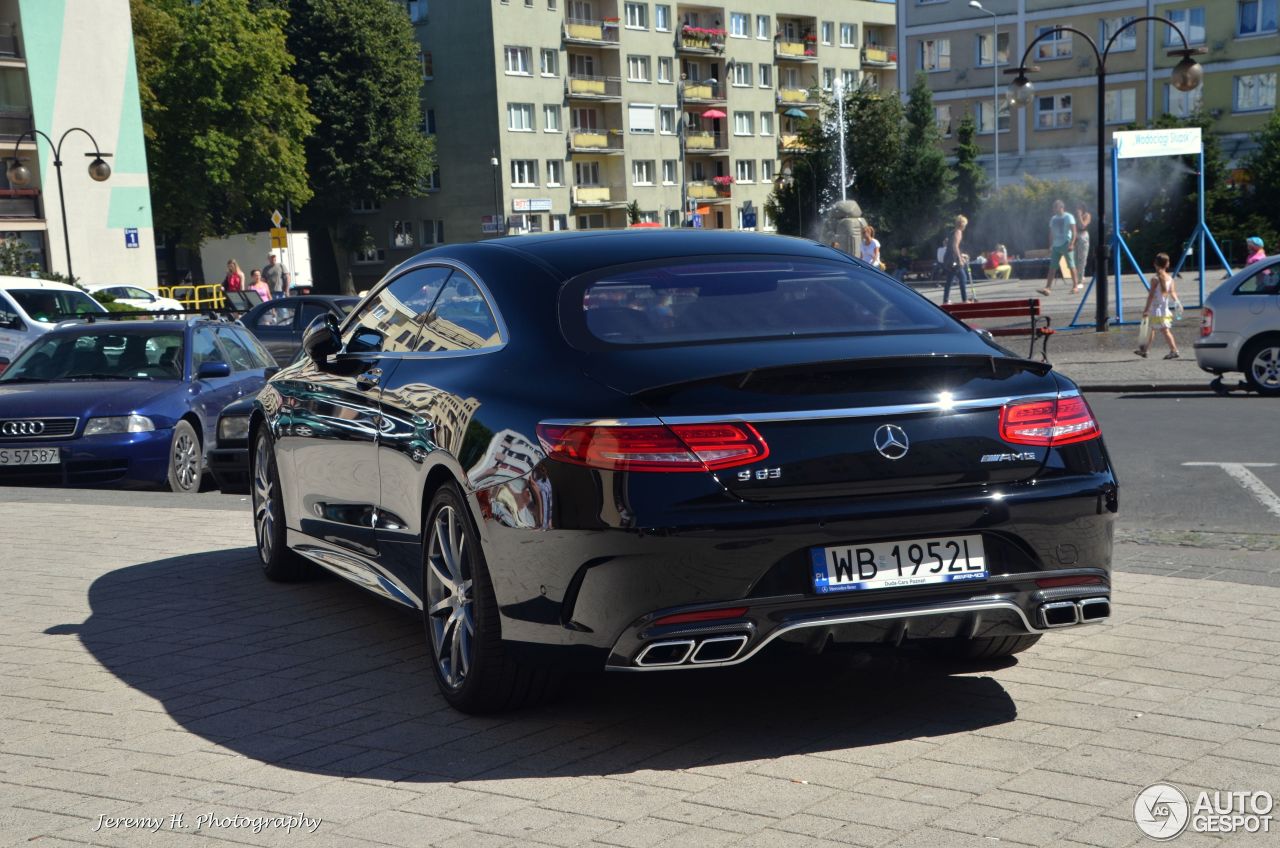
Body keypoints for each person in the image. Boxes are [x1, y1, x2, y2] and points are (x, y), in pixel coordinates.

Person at [1135, 252, 1180, 360]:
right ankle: (1145, 350)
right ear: (1167, 264)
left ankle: (1174, 350)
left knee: (1163, 330)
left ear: (1155, 264)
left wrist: (1146, 309)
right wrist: (1177, 302)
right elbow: (1172, 292)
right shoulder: (1170, 278)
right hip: (1164, 308)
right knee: (1154, 329)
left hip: (1156, 308)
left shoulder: (1155, 279)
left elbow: (1151, 296)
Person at [1039, 199, 1079, 296]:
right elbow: (1051, 233)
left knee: (1071, 265)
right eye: (1053, 207)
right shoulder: (1053, 218)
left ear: (1061, 207)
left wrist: (1072, 243)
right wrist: (1050, 245)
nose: (1054, 209)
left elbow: (1074, 232)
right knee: (1052, 267)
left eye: (1055, 207)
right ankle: (1047, 288)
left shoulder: (1069, 217)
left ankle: (1075, 287)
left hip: (1066, 243)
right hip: (1056, 245)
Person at [942, 215, 974, 304]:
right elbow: (955, 246)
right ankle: (964, 300)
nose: (965, 226)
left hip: (948, 259)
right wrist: (960, 259)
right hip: (954, 261)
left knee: (949, 279)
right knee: (963, 278)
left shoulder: (952, 232)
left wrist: (962, 255)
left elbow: (948, 245)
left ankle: (945, 300)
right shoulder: (958, 232)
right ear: (962, 224)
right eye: (965, 224)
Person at [1074, 205, 1092, 288]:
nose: (1078, 210)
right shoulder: (1074, 216)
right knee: (1075, 259)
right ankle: (1078, 277)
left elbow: (1082, 226)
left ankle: (1080, 281)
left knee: (1082, 259)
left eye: (1079, 208)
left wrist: (1079, 216)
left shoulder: (1087, 215)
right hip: (1076, 237)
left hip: (1083, 236)